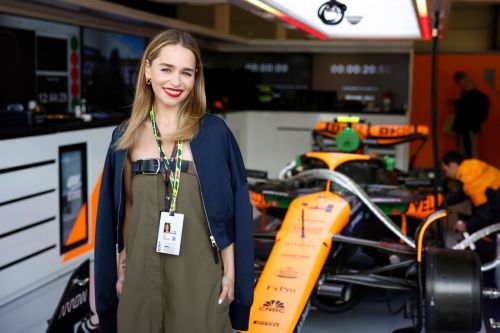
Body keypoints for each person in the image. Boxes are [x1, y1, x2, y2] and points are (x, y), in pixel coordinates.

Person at [94, 29, 254, 333]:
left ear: (196, 79)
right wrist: (123, 267)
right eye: (167, 69)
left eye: (186, 73)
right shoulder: (125, 137)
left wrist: (230, 272)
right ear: (148, 70)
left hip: (198, 273)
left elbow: (229, 212)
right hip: (141, 273)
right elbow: (125, 208)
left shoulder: (214, 134)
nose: (176, 82)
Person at [441, 150, 500, 261]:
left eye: (445, 170)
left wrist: (466, 225)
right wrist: (445, 201)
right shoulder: (472, 168)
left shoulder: (471, 180)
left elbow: (485, 215)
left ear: (453, 165)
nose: (446, 175)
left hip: (496, 220)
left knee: (482, 251)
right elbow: (464, 192)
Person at [451, 71, 490, 158]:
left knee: (469, 152)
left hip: (468, 128)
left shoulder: (467, 99)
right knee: (468, 151)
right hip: (472, 128)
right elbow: (483, 116)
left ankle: (471, 171)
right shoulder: (481, 98)